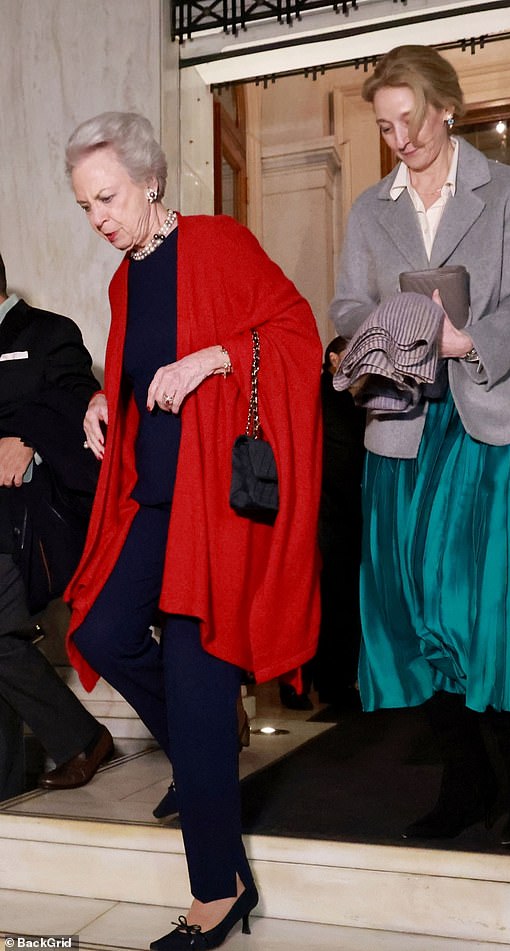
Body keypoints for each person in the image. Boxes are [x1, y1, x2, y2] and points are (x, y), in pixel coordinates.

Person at [64, 111, 322, 950]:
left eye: (107, 198)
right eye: (86, 207)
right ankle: (202, 756)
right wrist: (110, 401)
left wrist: (211, 357)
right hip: (153, 496)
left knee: (196, 663)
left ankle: (219, 889)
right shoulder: (120, 282)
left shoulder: (218, 242)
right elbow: (140, 377)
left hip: (214, 501)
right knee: (102, 627)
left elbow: (295, 337)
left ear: (147, 180)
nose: (99, 217)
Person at [330, 45, 510, 849]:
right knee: (414, 610)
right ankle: (464, 781)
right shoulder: (370, 209)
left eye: (410, 121)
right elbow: (349, 302)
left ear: (446, 109)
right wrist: (376, 336)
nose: (399, 138)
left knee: (484, 612)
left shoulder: (505, 191)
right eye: (386, 126)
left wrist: (468, 340)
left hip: (484, 426)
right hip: (402, 426)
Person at [0, 251, 112, 801]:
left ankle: (83, 738)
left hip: (27, 524)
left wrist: (30, 439)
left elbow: (78, 406)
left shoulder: (48, 333)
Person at [314, 336, 365, 707]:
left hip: (353, 514)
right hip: (327, 514)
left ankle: (345, 680)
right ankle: (331, 683)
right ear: (333, 358)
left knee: (349, 598)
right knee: (331, 599)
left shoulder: (357, 398)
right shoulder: (319, 394)